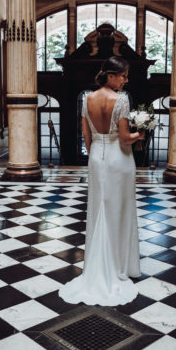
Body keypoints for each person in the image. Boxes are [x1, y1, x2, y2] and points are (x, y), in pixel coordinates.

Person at [58, 56, 145, 306]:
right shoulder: (121, 100)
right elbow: (125, 138)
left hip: (96, 156)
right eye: (122, 76)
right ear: (110, 75)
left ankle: (99, 262)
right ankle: (119, 265)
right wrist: (142, 132)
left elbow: (86, 136)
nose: (126, 80)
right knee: (120, 209)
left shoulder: (87, 99)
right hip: (120, 158)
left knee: (98, 210)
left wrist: (95, 154)